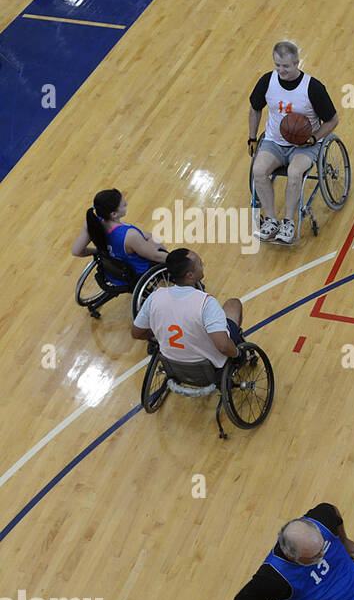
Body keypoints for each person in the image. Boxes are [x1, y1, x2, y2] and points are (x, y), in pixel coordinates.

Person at [247, 41, 340, 244]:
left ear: (297, 63)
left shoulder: (313, 88)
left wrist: (314, 138)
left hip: (305, 145)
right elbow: (255, 108)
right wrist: (253, 138)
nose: (281, 70)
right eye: (277, 66)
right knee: (258, 170)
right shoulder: (267, 81)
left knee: (295, 173)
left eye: (286, 66)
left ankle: (288, 222)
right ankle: (271, 220)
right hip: (274, 142)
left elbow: (333, 120)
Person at [130, 248, 244, 368]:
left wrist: (161, 330)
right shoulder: (206, 302)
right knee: (233, 304)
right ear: (190, 275)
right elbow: (223, 346)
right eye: (200, 263)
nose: (203, 264)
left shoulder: (154, 297)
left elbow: (136, 333)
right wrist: (237, 354)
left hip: (172, 365)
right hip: (206, 367)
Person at [70, 188, 168, 285]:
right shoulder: (129, 235)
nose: (127, 205)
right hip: (134, 273)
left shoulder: (92, 223)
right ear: (113, 214)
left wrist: (98, 251)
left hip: (113, 270)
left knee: (147, 236)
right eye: (124, 205)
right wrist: (175, 260)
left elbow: (76, 251)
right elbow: (154, 256)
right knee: (154, 241)